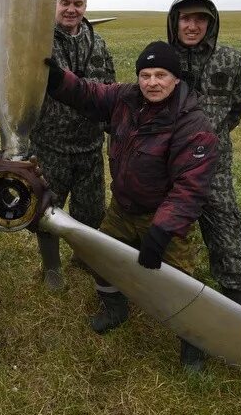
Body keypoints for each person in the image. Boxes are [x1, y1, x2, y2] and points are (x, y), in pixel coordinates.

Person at [45, 41, 218, 370]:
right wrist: (56, 78)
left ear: (176, 79)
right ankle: (114, 309)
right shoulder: (125, 97)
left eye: (161, 75)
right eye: (145, 75)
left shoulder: (193, 125)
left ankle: (193, 342)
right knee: (103, 259)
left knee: (179, 282)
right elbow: (88, 93)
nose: (152, 82)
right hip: (123, 208)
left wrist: (162, 230)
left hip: (162, 214)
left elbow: (189, 188)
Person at [0, 0, 116, 290]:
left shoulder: (98, 43)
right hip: (50, 146)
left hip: (89, 147)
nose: (71, 9)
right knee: (45, 210)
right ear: (53, 4)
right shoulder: (37, 38)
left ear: (85, 6)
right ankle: (52, 267)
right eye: (64, 2)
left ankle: (83, 256)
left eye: (78, 4)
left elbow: (109, 91)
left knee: (92, 211)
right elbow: (7, 27)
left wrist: (113, 131)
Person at [165, 0, 241, 325]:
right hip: (168, 168)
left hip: (213, 169)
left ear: (211, 22)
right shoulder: (161, 58)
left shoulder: (231, 60)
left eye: (200, 19)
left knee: (228, 238)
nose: (192, 26)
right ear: (174, 22)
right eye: (185, 19)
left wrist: (213, 136)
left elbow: (238, 106)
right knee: (167, 239)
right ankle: (178, 312)